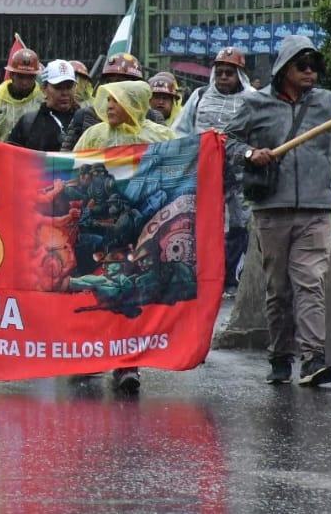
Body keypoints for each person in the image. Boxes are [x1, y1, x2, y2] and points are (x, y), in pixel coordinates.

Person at [224, 35, 331, 387]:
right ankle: (280, 356)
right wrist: (250, 154)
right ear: (284, 69)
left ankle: (313, 359)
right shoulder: (256, 104)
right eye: (303, 66)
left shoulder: (328, 102)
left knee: (310, 282)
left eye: (315, 66)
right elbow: (226, 140)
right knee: (279, 290)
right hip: (271, 210)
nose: (311, 72)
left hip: (315, 208)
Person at [72, 79, 175, 394]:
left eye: (117, 101)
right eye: (108, 100)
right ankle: (90, 353)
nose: (110, 106)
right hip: (99, 230)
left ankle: (127, 365)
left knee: (129, 292)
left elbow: (182, 165)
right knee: (95, 290)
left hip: (140, 228)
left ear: (135, 103)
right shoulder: (94, 135)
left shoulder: (160, 137)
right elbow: (74, 170)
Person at [174, 47, 254, 293]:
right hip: (204, 174)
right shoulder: (199, 96)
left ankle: (231, 277)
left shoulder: (254, 99)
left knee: (240, 224)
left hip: (240, 175)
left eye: (229, 72)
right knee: (207, 225)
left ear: (240, 74)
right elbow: (181, 131)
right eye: (219, 72)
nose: (223, 77)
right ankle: (207, 277)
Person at [62, 53, 162, 151]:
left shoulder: (153, 117)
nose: (113, 87)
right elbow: (66, 157)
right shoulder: (85, 115)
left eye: (120, 81)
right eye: (109, 81)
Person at [0, 48, 44, 143]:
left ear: (35, 77)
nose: (25, 82)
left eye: (30, 77)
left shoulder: (44, 102)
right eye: (20, 76)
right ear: (11, 75)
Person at [8, 60, 77, 152]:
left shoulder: (85, 119)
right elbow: (10, 155)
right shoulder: (29, 122)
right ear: (44, 89)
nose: (64, 93)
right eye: (58, 87)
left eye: (69, 87)